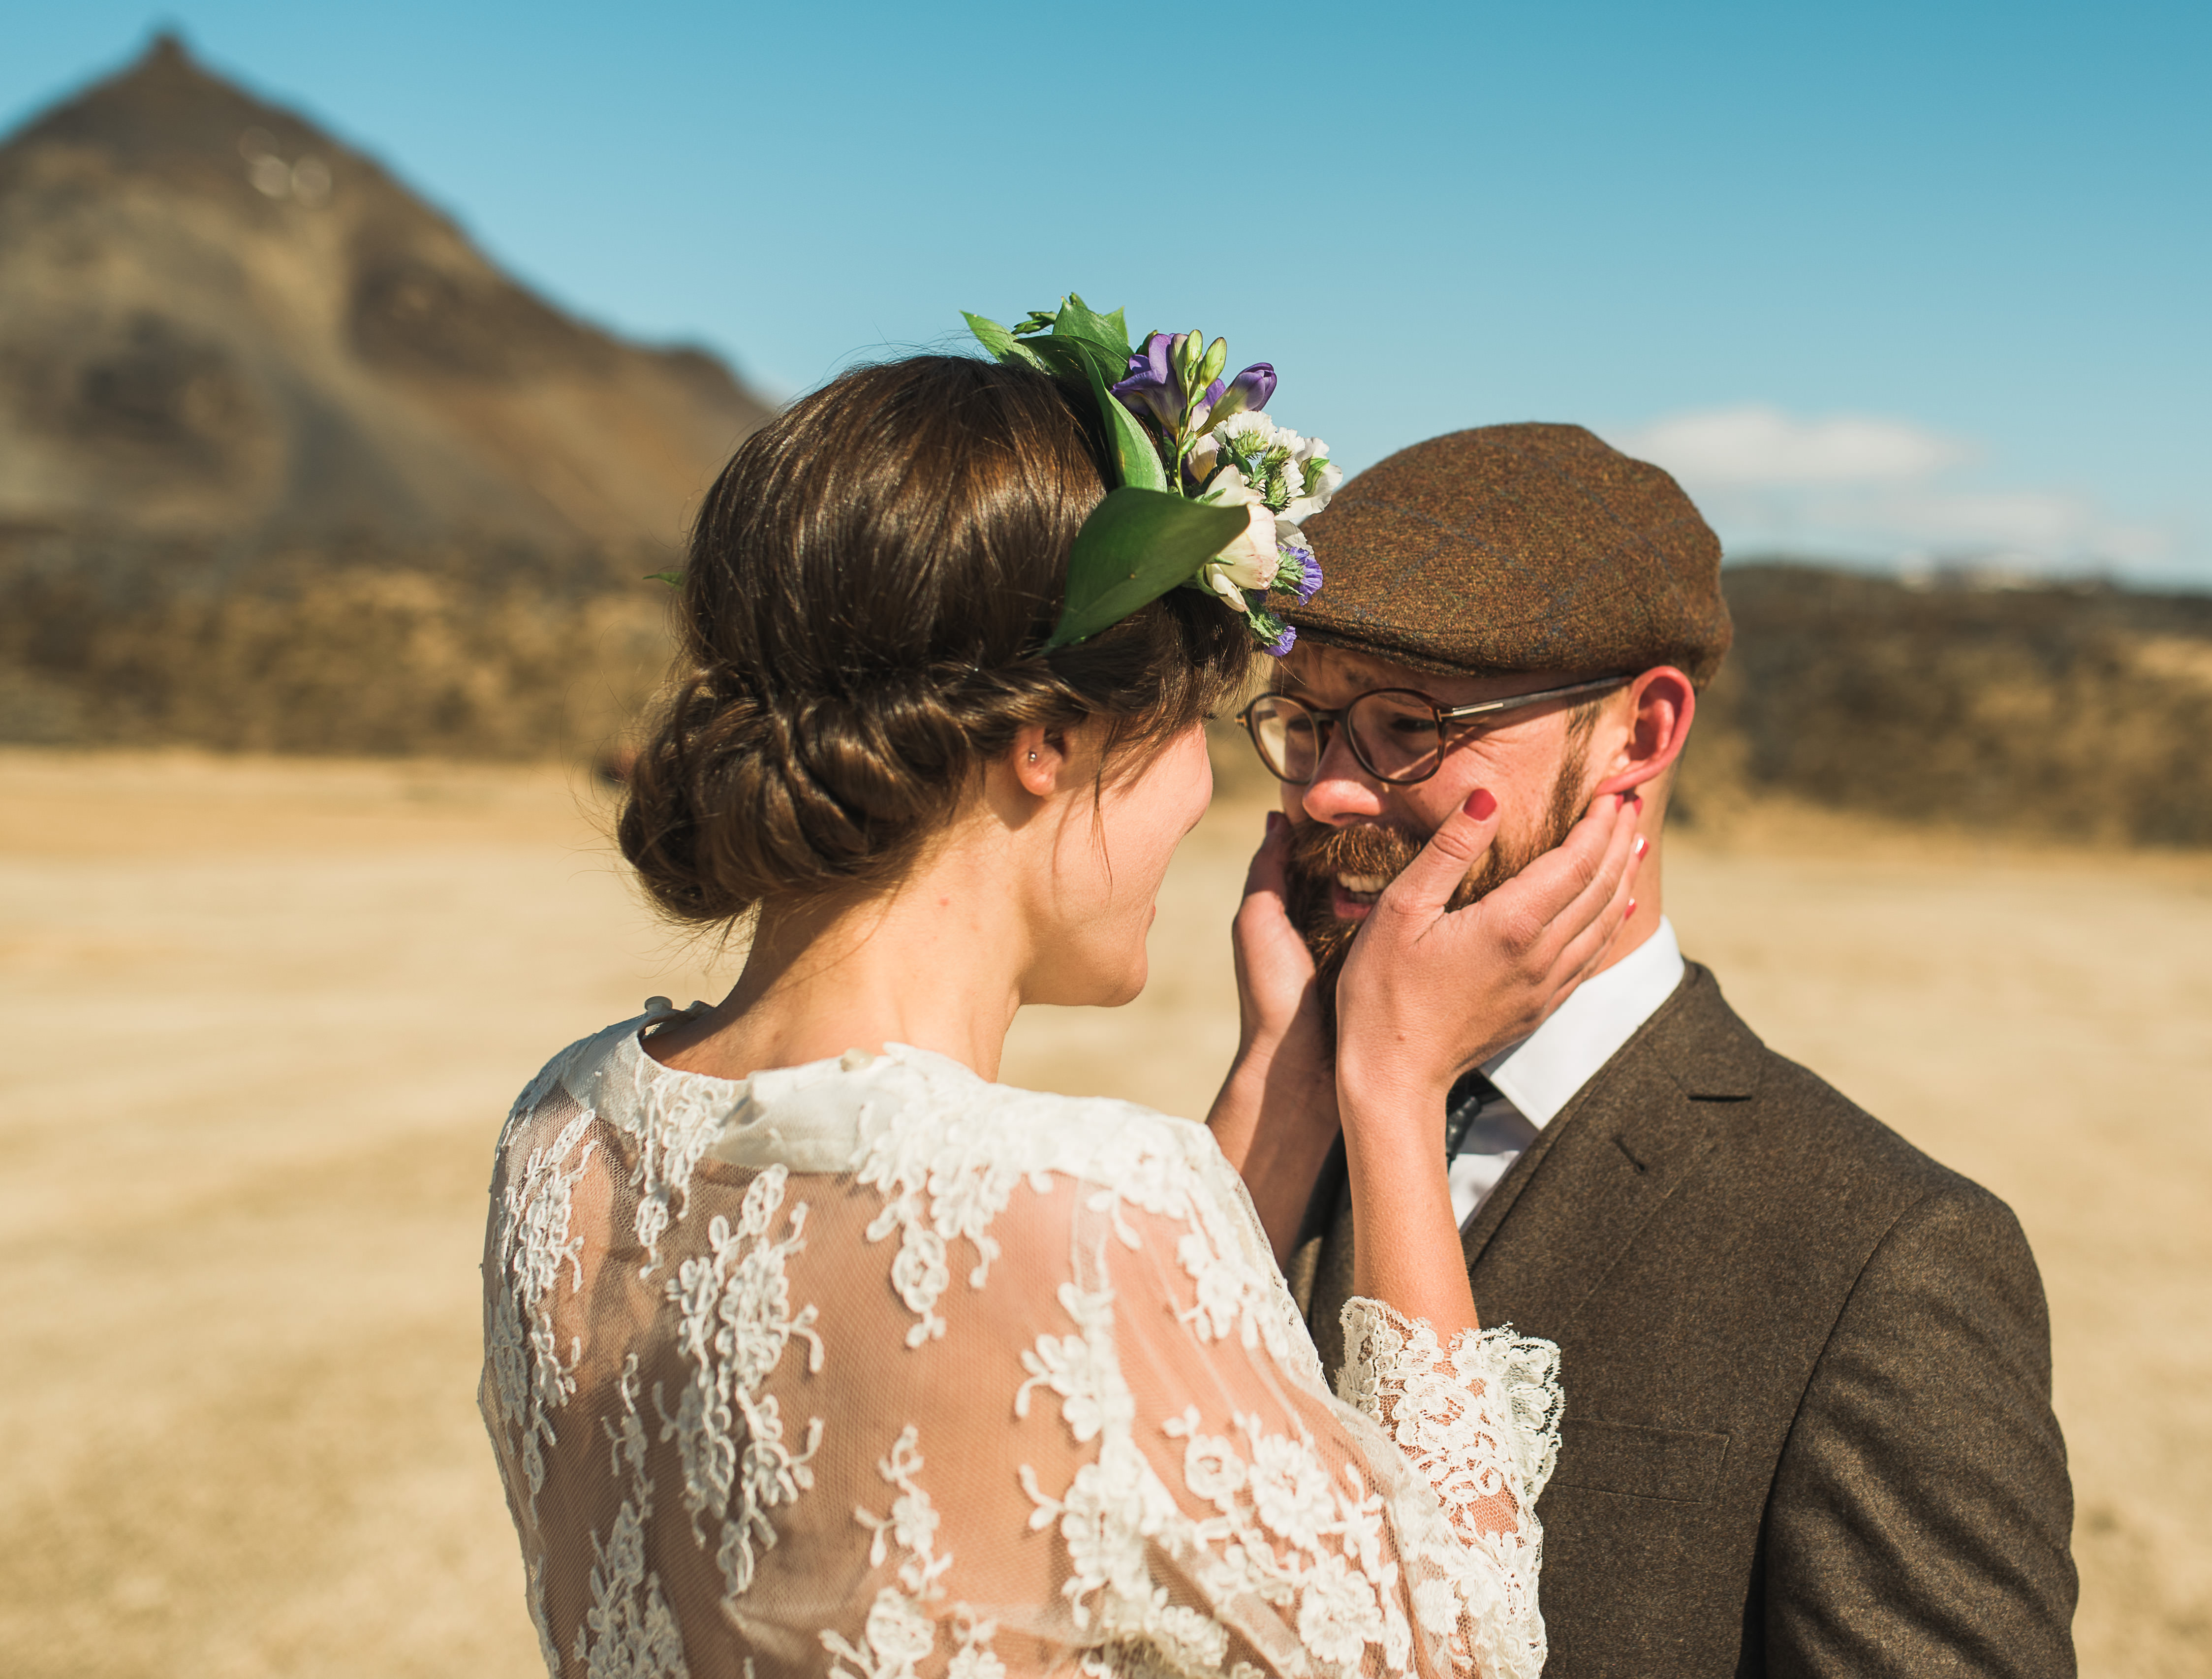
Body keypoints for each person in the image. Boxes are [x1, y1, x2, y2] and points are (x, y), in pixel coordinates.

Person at [479, 336, 1648, 1679]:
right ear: (1047, 745)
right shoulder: (1081, 1202)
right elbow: (1464, 1653)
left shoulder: (561, 1136)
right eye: (1195, 733)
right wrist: (1390, 1079)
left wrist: (1282, 1064)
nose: (1211, 803)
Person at [1228, 423, 2079, 1678]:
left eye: (1404, 724)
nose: (1324, 794)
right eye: (1303, 724)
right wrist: (1297, 1085)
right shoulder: (1282, 1118)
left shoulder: (1885, 1255)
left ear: (1640, 731)